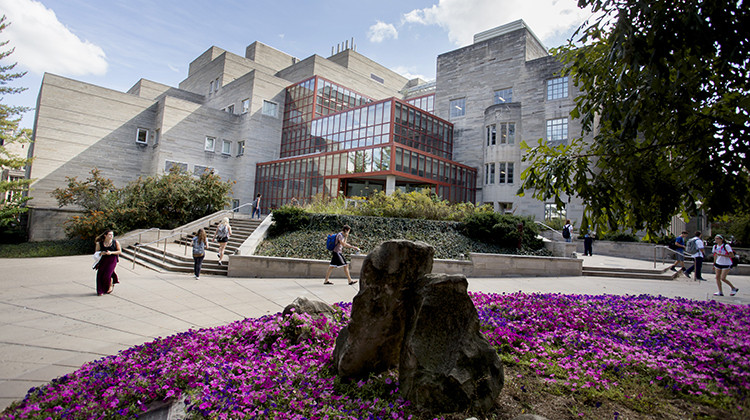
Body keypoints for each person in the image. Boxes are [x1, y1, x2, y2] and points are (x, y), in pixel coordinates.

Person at [94, 230, 121, 296]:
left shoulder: (115, 242)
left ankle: (110, 284)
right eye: (109, 235)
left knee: (107, 275)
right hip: (103, 260)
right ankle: (100, 290)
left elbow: (119, 251)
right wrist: (101, 253)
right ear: (105, 235)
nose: (111, 236)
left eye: (112, 235)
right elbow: (96, 253)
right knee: (100, 274)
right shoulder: (99, 243)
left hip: (112, 260)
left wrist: (111, 252)